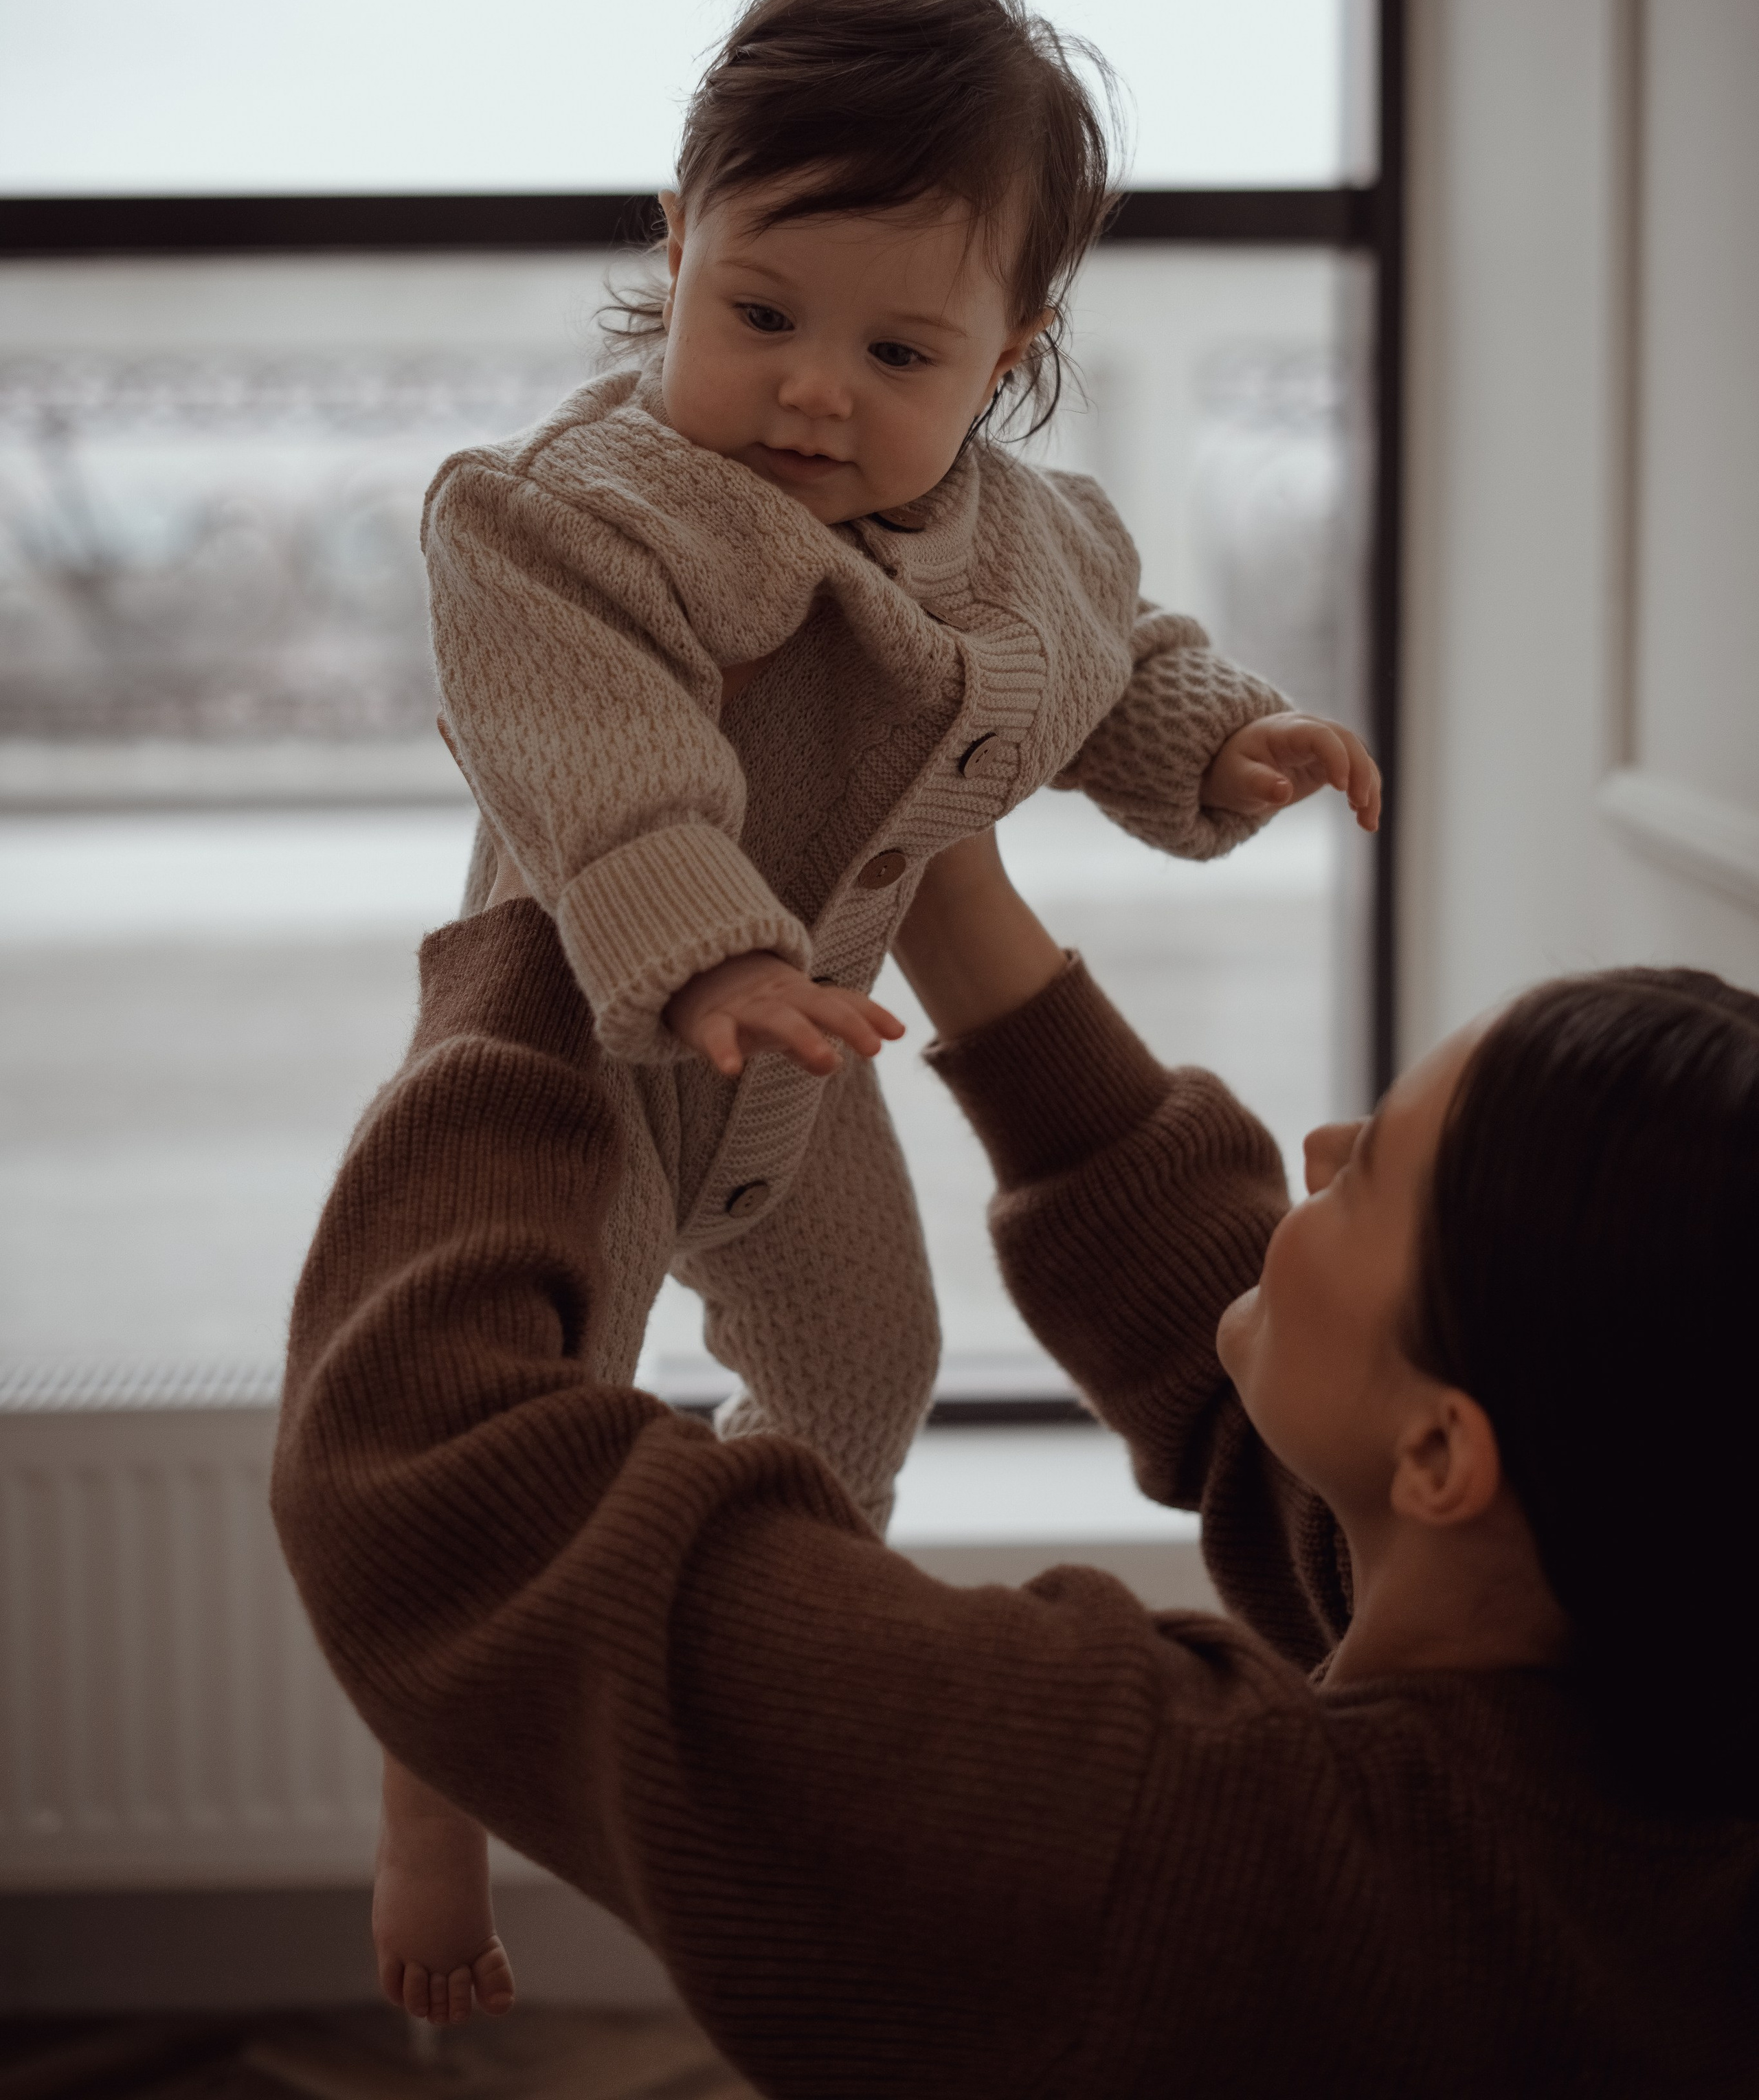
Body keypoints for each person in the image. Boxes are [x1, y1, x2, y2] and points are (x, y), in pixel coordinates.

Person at [377, 0, 1381, 2013]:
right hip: (586, 1048)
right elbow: (604, 764)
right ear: (676, 243)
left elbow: (1104, 658)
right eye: (759, 315)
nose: (814, 391)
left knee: (865, 1367)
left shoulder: (1024, 534)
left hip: (803, 1058)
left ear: (1012, 352)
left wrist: (1220, 743)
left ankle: (760, 1691)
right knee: (533, 1428)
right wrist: (715, 950)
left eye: (900, 350)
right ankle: (431, 1809)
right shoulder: (574, 520)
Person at [273, 830, 1759, 2094]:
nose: (1315, 1147)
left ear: (1440, 1453)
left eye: (1370, 1175)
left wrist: (582, 875)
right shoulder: (1637, 1709)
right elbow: (1247, 1370)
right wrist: (941, 870)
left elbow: (432, 1483)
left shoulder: (1152, 1839)